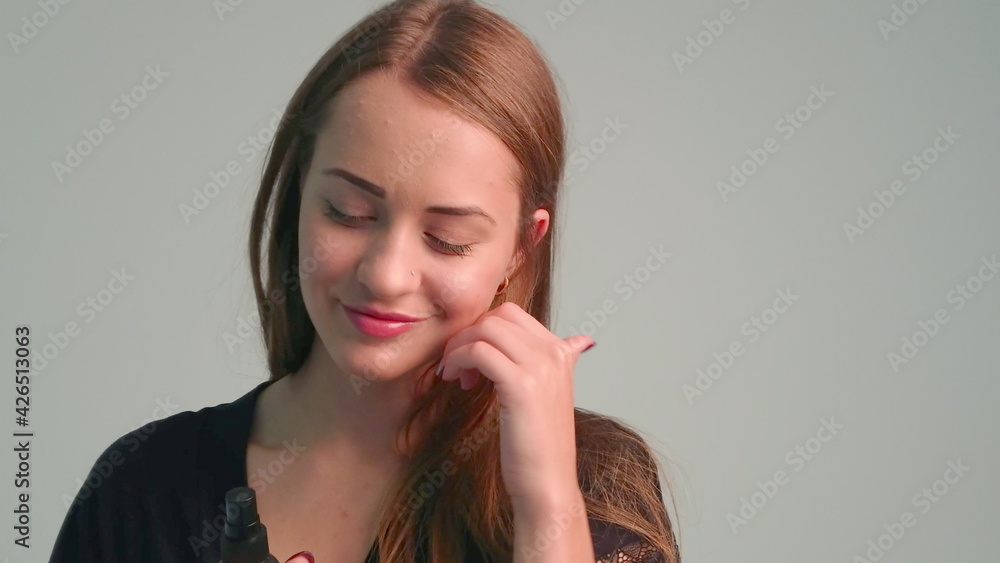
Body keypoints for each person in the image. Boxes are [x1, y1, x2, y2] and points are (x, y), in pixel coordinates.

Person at [49, 1, 681, 561]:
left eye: (447, 239)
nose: (385, 274)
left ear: (521, 248)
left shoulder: (597, 486)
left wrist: (546, 504)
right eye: (347, 213)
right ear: (299, 193)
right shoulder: (141, 487)